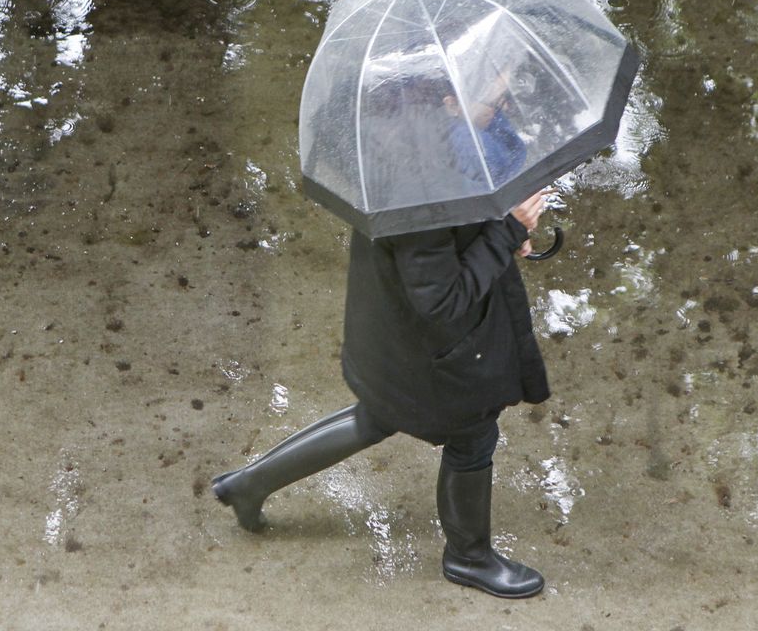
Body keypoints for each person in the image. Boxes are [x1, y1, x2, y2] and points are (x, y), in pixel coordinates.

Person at [211, 189, 551, 600]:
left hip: (401, 328)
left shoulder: (425, 146)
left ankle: (248, 485)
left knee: (379, 415)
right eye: (489, 116)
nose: (496, 118)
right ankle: (469, 557)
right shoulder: (419, 186)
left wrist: (502, 229)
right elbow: (442, 298)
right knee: (473, 435)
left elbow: (458, 228)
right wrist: (506, 231)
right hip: (434, 343)